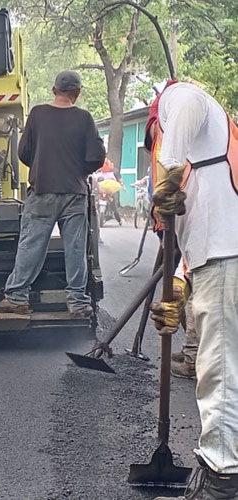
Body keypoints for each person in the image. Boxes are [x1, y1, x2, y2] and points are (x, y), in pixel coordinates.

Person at [148, 81, 238, 500]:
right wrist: (180, 288)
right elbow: (193, 228)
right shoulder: (203, 167)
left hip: (226, 255)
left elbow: (189, 99)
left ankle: (222, 473)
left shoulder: (182, 99)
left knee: (218, 367)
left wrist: (166, 173)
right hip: (215, 256)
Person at [0, 70, 106, 317]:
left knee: (31, 245)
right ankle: (77, 302)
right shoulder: (84, 118)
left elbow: (23, 152)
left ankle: (17, 298)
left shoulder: (38, 114)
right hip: (74, 192)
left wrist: (42, 165)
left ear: (54, 90)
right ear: (77, 93)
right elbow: (97, 156)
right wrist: (79, 171)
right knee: (75, 248)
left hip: (42, 191)